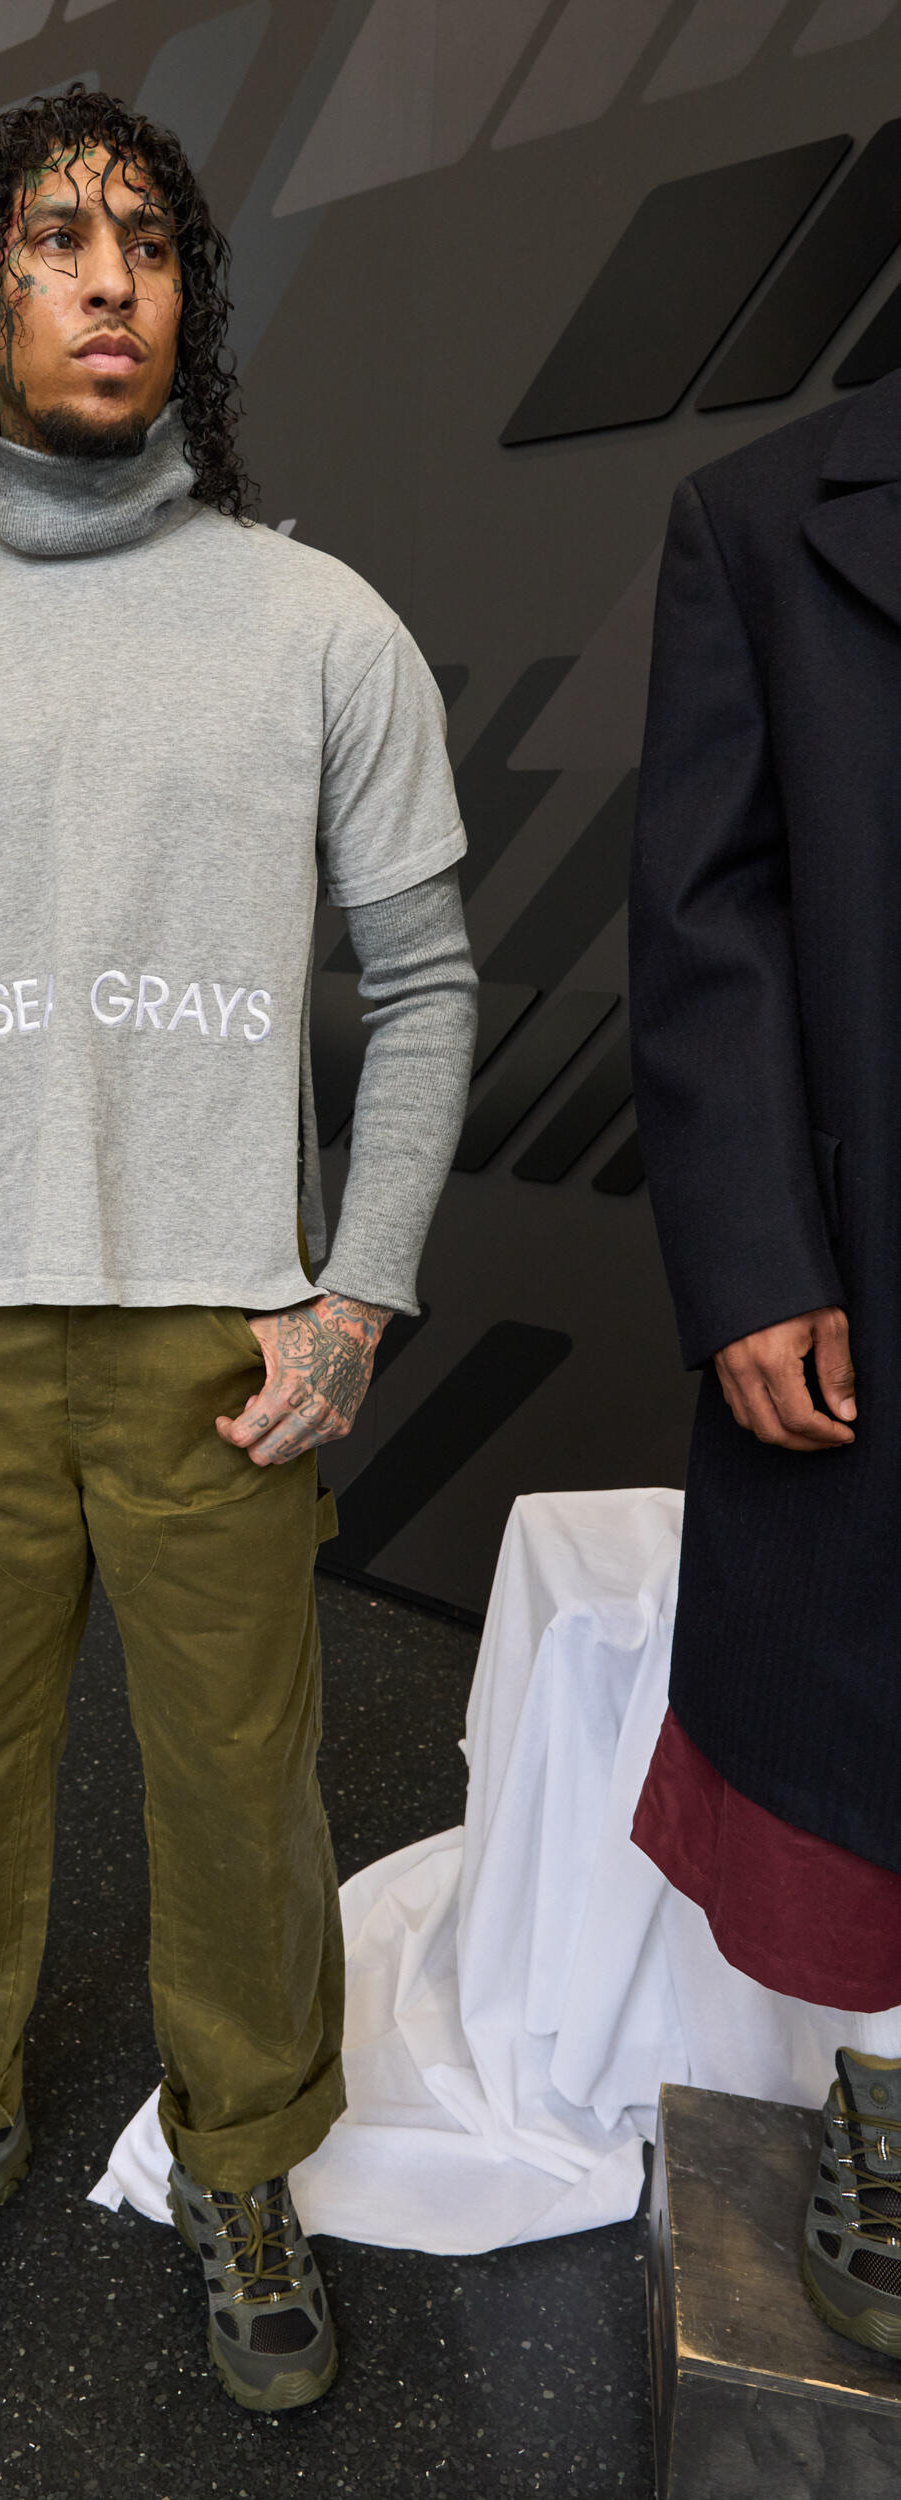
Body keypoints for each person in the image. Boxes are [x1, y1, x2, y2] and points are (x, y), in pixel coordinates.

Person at [0, 89, 477, 2410]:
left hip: (215, 1347)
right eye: (54, 238)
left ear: (186, 298)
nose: (105, 276)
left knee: (242, 1792)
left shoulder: (317, 624)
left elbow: (427, 982)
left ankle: (243, 2154)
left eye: (143, 238)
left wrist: (352, 1299)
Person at [629, 367, 901, 2356]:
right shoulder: (758, 513)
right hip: (865, 1252)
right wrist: (745, 1257)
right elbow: (701, 921)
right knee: (865, 1718)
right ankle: (883, 2097)